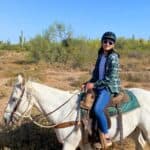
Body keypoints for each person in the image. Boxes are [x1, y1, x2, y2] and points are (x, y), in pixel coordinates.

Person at [81, 31, 121, 148]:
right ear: (102, 42)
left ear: (113, 44)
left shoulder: (113, 57)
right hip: (99, 85)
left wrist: (94, 85)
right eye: (105, 41)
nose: (107, 43)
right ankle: (89, 132)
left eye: (110, 42)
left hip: (108, 87)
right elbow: (96, 75)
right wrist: (87, 83)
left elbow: (109, 79)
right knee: (82, 102)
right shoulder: (100, 56)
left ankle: (106, 135)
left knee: (98, 109)